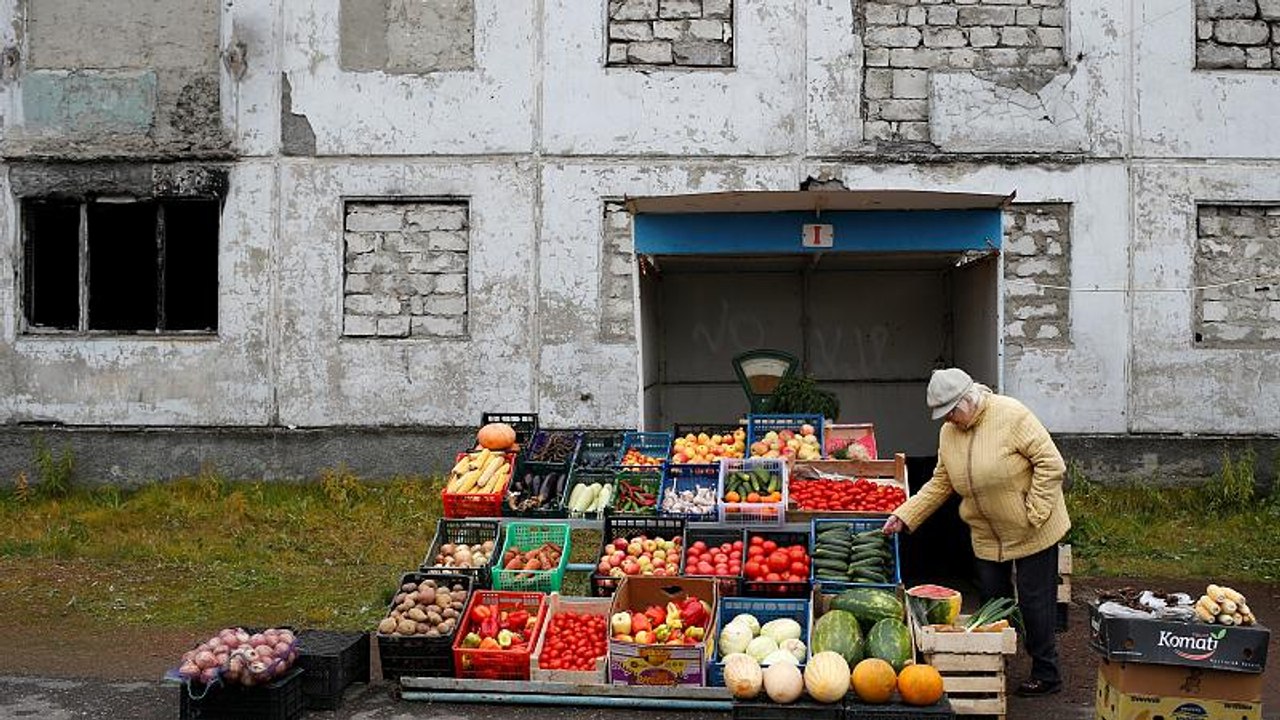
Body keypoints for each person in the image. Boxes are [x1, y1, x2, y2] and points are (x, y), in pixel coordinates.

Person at [882, 368, 1070, 697]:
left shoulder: (1011, 415)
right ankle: (994, 664)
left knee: (1034, 602)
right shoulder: (949, 434)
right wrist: (905, 514)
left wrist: (1034, 512)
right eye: (943, 415)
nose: (949, 419)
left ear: (969, 398)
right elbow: (941, 483)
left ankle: (1046, 672)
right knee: (993, 601)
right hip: (986, 533)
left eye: (953, 411)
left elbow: (1051, 463)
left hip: (1033, 528)